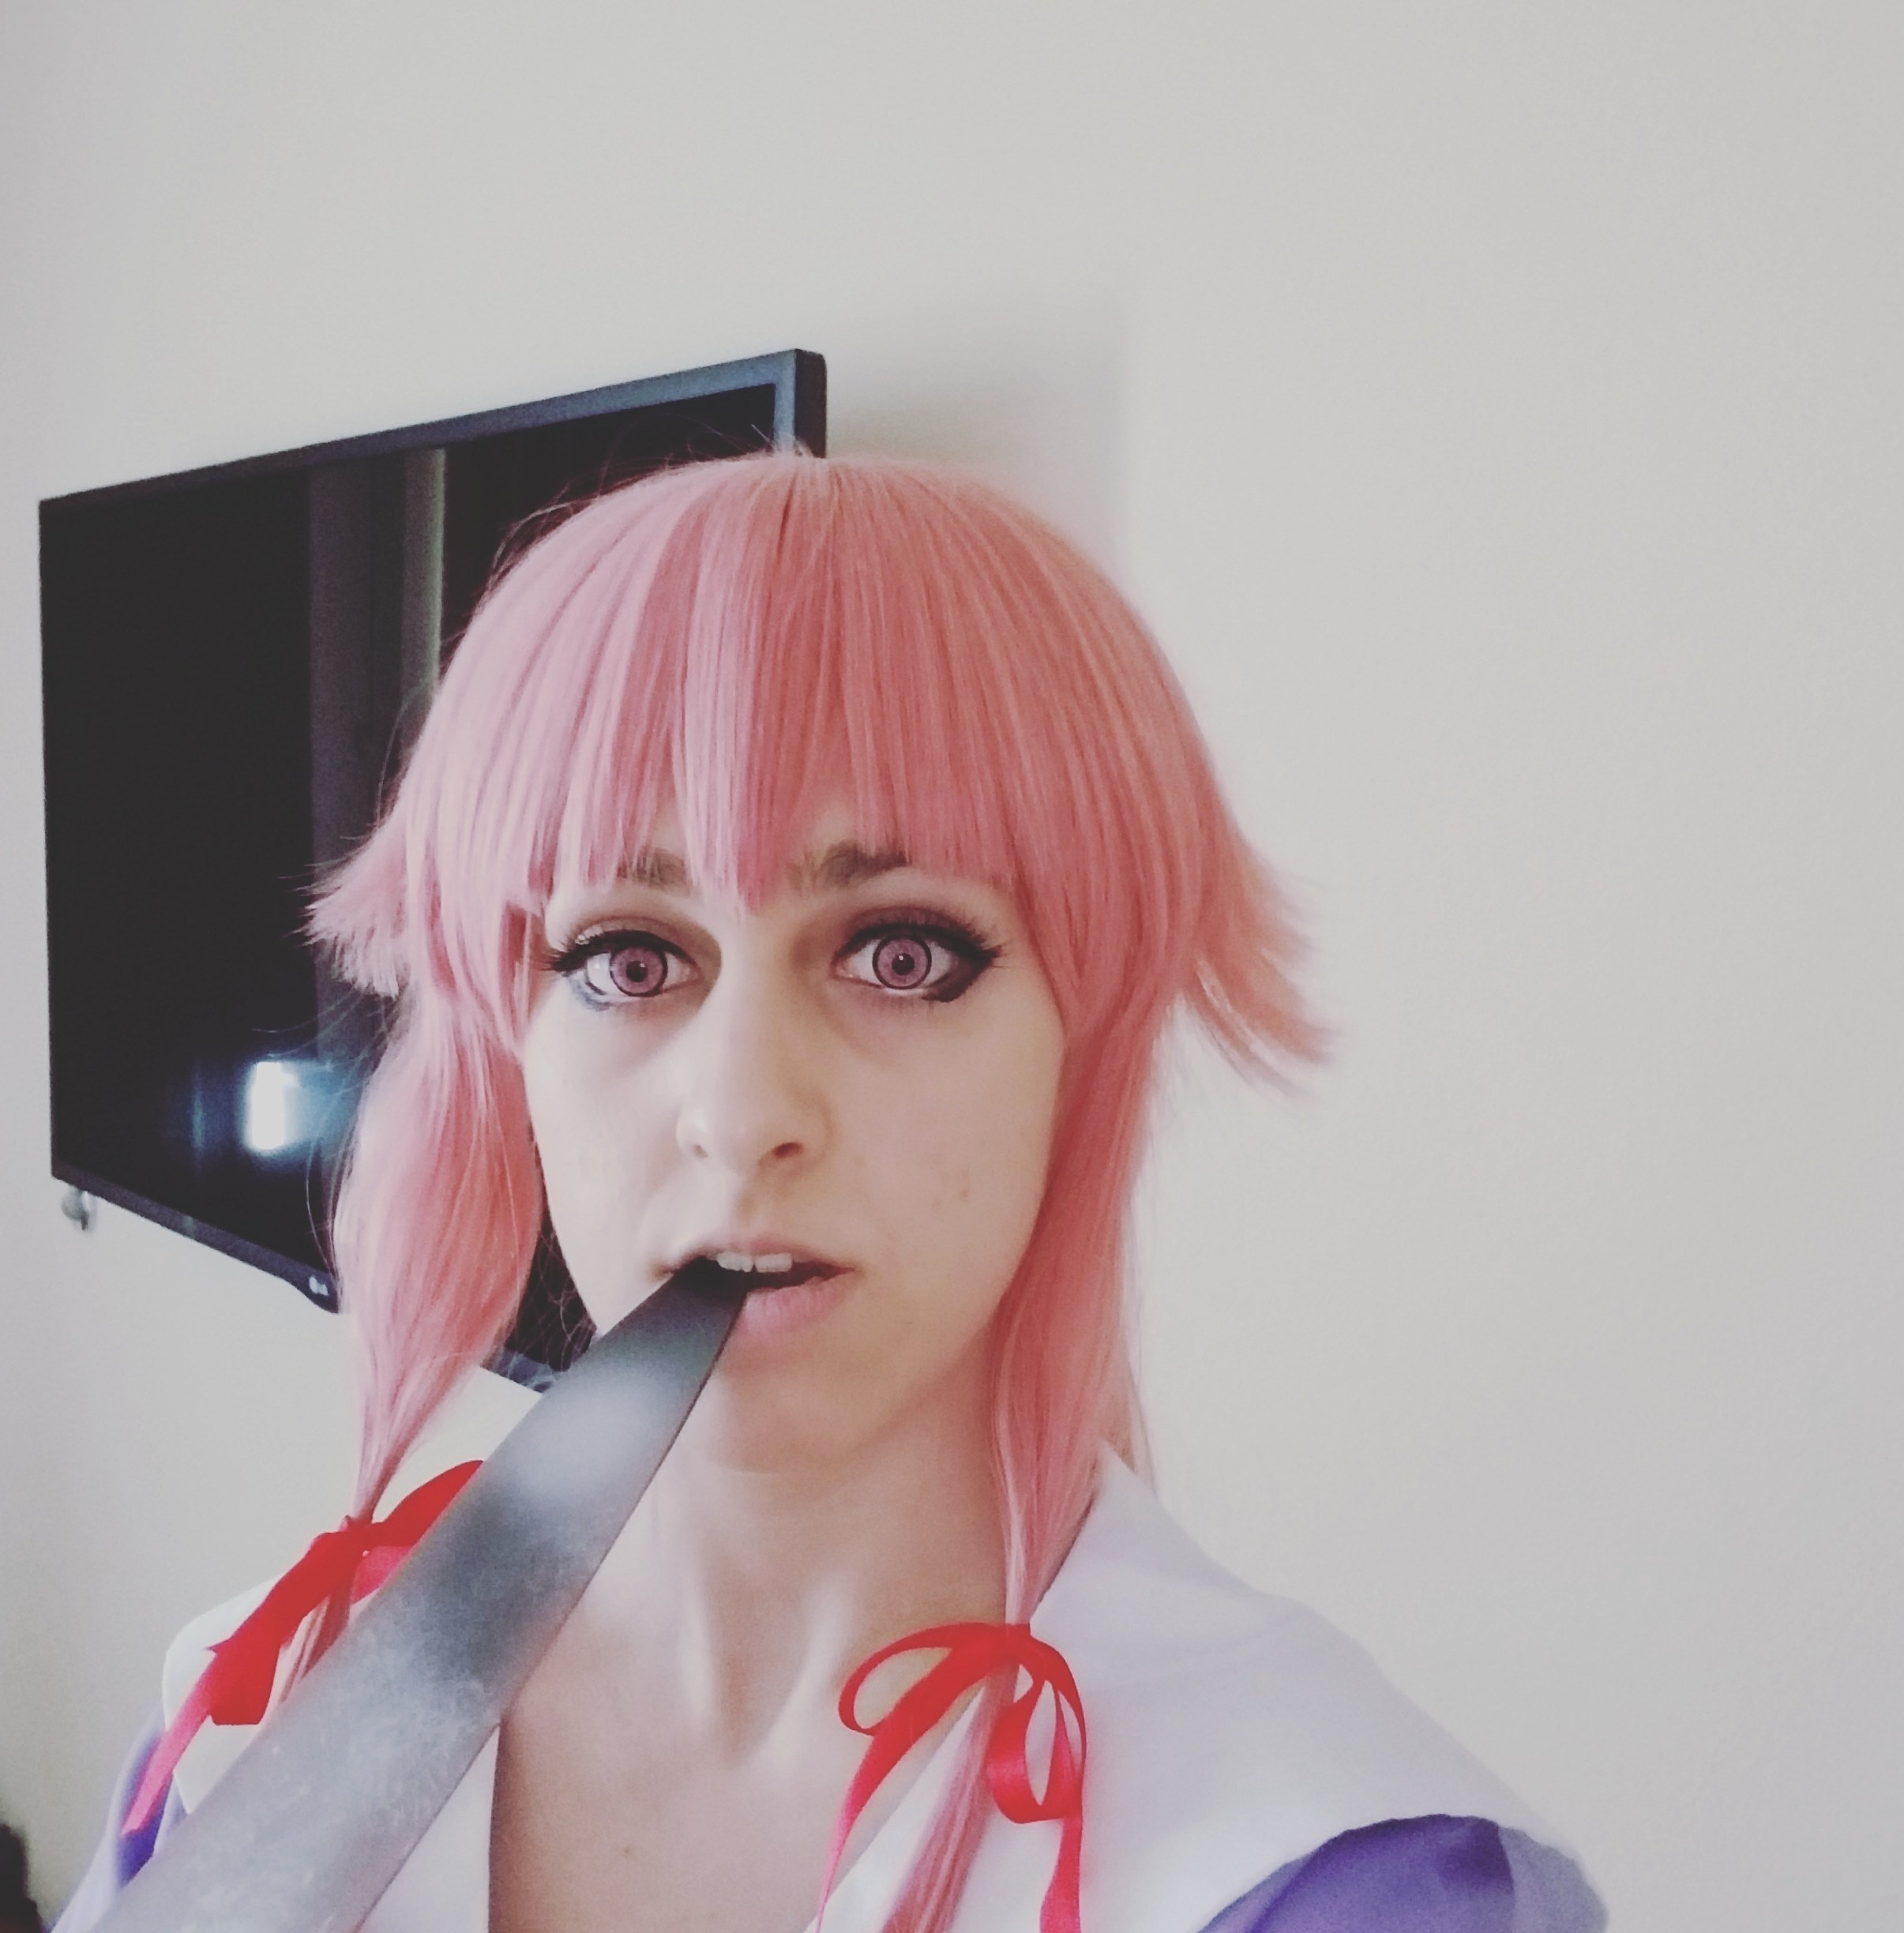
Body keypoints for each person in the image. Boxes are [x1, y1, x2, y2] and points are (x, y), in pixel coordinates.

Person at [57, 452, 1603, 1932]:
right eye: (630, 959)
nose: (741, 1117)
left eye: (900, 954)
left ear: (1083, 1036)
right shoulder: (254, 1725)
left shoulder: (1328, 1874)